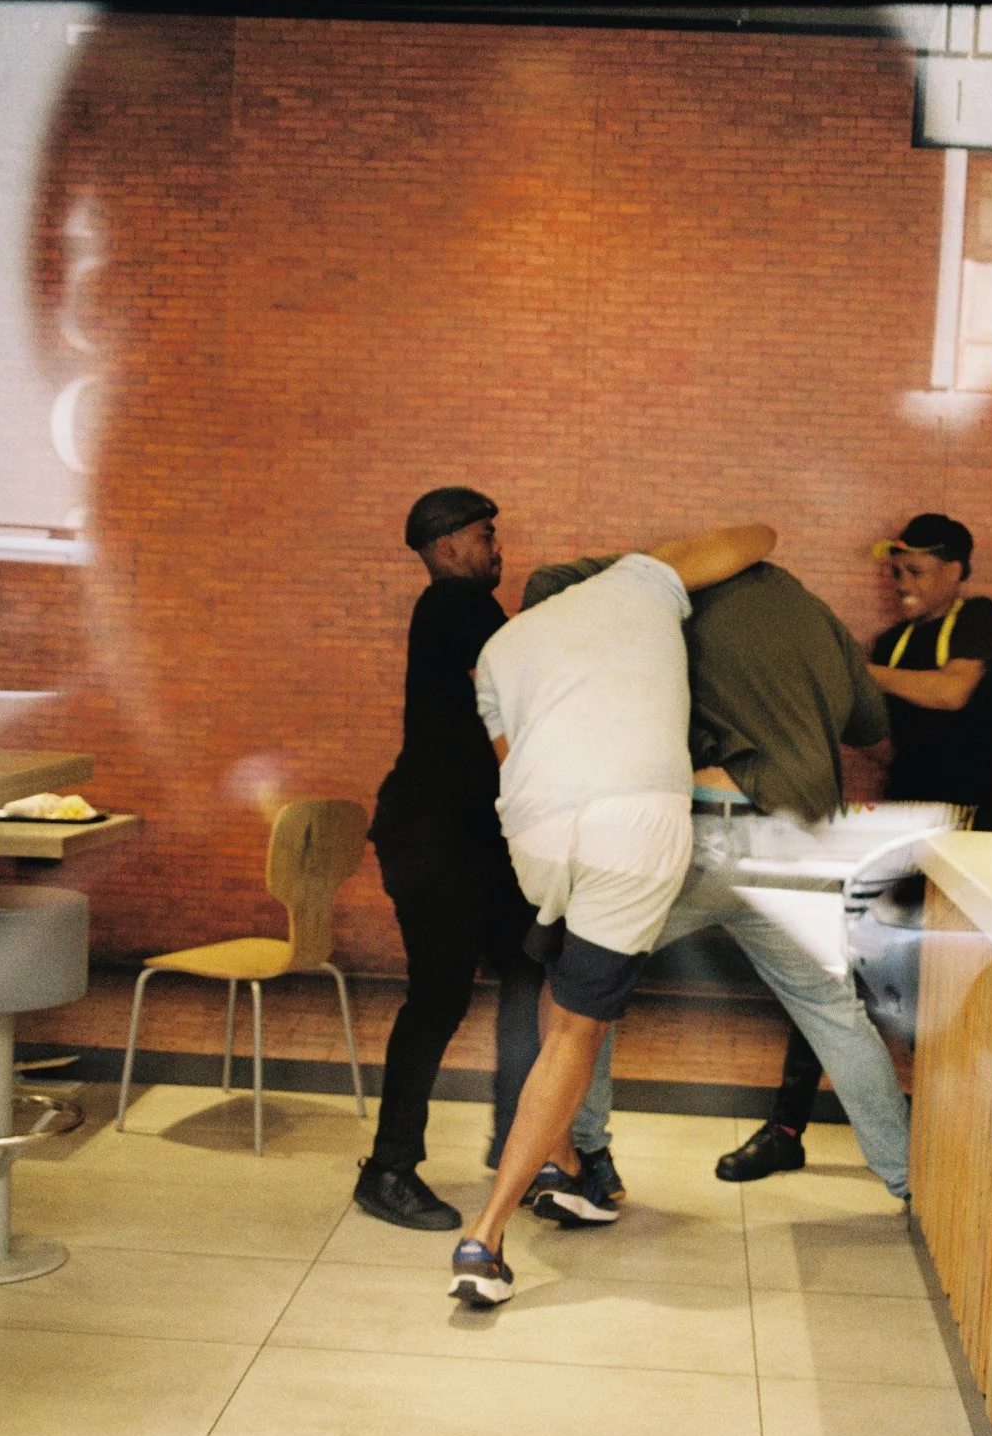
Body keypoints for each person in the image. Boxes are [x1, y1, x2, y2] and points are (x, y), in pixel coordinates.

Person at [506, 553, 913, 1204]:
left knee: (583, 992)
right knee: (836, 1015)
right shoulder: (817, 618)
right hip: (795, 840)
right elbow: (871, 730)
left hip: (696, 832)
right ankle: (906, 1177)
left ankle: (585, 1159)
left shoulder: (675, 613)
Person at [448, 523, 776, 1307]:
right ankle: (485, 1236)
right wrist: (658, 566)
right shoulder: (637, 583)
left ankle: (563, 1168)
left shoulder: (499, 651)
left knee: (558, 984)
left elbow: (511, 755)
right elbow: (755, 535)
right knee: (577, 1029)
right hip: (633, 824)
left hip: (534, 828)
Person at [715, 511, 992, 1184]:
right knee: (828, 969)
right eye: (896, 572)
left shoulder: (975, 619)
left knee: (954, 989)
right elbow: (880, 742)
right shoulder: (892, 642)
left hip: (966, 829)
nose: (902, 585)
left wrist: (856, 669)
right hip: (898, 826)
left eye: (916, 572)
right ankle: (788, 1128)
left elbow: (954, 689)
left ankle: (957, 1140)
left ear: (956, 572)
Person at [355, 487, 548, 1232]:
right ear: (449, 547)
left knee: (529, 973)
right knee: (439, 998)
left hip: (468, 838)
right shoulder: (455, 607)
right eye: (486, 535)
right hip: (435, 839)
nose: (497, 547)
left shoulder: (464, 613)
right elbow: (517, 693)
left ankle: (519, 1148)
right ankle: (389, 1170)